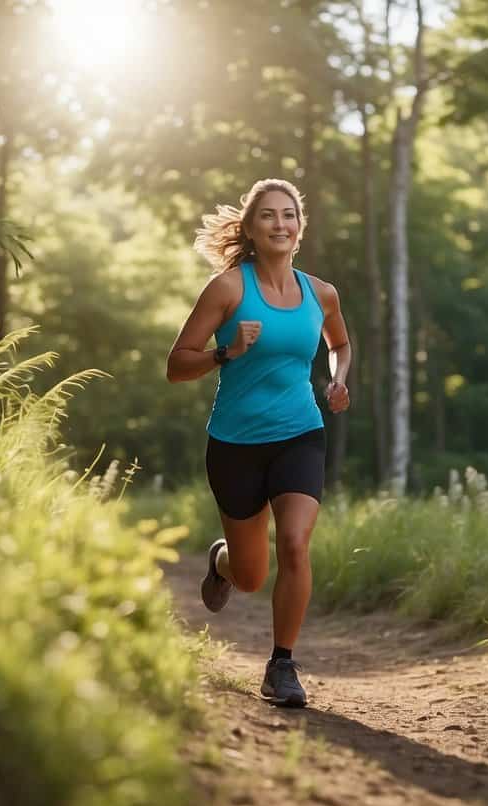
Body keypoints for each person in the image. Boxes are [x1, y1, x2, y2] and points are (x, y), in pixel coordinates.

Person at [166, 178, 351, 708]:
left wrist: (339, 379)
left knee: (294, 543)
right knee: (250, 576)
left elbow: (339, 343)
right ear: (250, 227)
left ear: (300, 226)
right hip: (235, 443)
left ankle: (282, 665)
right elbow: (177, 365)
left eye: (288, 214)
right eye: (267, 215)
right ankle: (222, 561)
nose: (280, 223)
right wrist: (225, 354)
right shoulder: (227, 289)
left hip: (300, 433)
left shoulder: (321, 293)